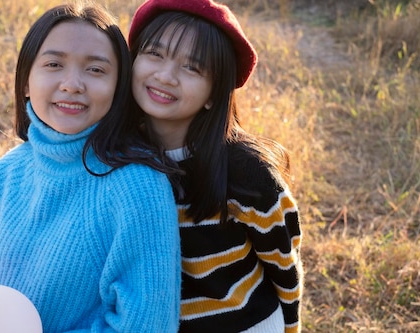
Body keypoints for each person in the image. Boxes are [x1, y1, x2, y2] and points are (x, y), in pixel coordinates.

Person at [0, 2, 182, 332]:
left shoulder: (137, 186)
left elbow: (148, 325)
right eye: (54, 64)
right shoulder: (7, 172)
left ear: (119, 89)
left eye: (96, 70)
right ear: (26, 81)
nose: (72, 84)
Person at [127, 0, 303, 332]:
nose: (165, 76)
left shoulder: (248, 175)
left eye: (191, 68)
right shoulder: (117, 154)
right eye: (155, 54)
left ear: (213, 93)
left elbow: (284, 267)